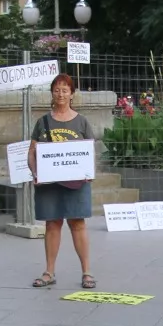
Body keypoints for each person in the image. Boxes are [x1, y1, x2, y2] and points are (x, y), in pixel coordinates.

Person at [29, 73, 95, 289]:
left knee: (77, 223)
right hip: (49, 184)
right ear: (52, 93)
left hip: (77, 183)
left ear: (72, 94)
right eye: (57, 90)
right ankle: (49, 272)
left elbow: (89, 151)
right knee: (52, 223)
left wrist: (89, 171)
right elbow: (32, 152)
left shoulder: (82, 121)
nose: (61, 94)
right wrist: (35, 173)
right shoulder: (42, 122)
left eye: (65, 90)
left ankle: (87, 272)